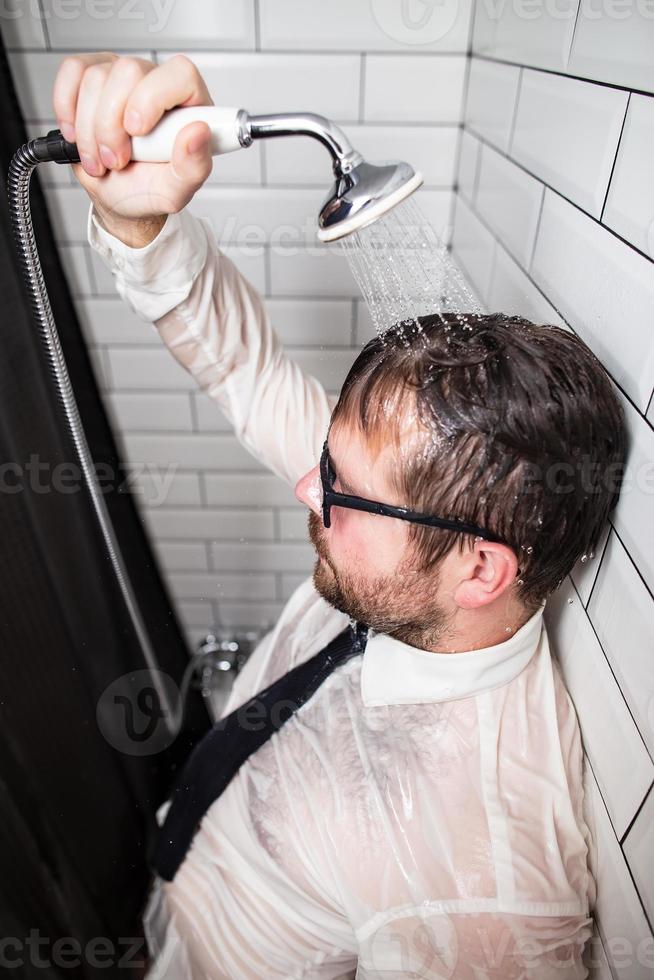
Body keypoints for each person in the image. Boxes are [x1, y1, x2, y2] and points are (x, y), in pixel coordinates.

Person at [54, 53, 625, 978]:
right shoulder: (406, 521)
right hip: (186, 904)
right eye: (326, 462)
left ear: (481, 568)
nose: (306, 488)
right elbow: (242, 364)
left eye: (343, 491)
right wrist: (140, 212)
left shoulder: (484, 889)